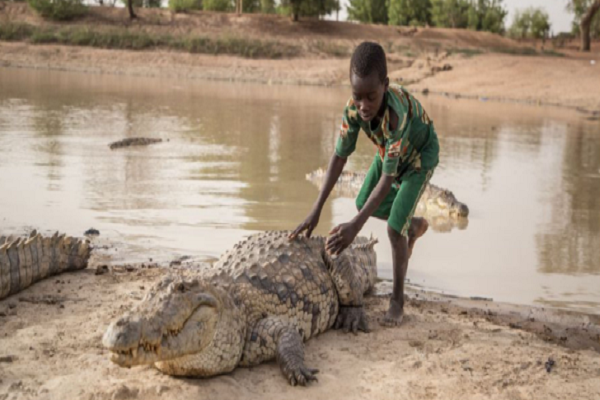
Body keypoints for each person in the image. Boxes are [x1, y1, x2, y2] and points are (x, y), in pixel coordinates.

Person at [289, 41, 439, 327]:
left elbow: (388, 178)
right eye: (357, 96)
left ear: (385, 85)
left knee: (394, 230)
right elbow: (339, 156)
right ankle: (413, 223)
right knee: (361, 203)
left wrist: (355, 226)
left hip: (419, 157)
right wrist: (316, 208)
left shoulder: (396, 117)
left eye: (371, 96)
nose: (364, 105)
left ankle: (397, 301)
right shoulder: (353, 110)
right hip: (389, 152)